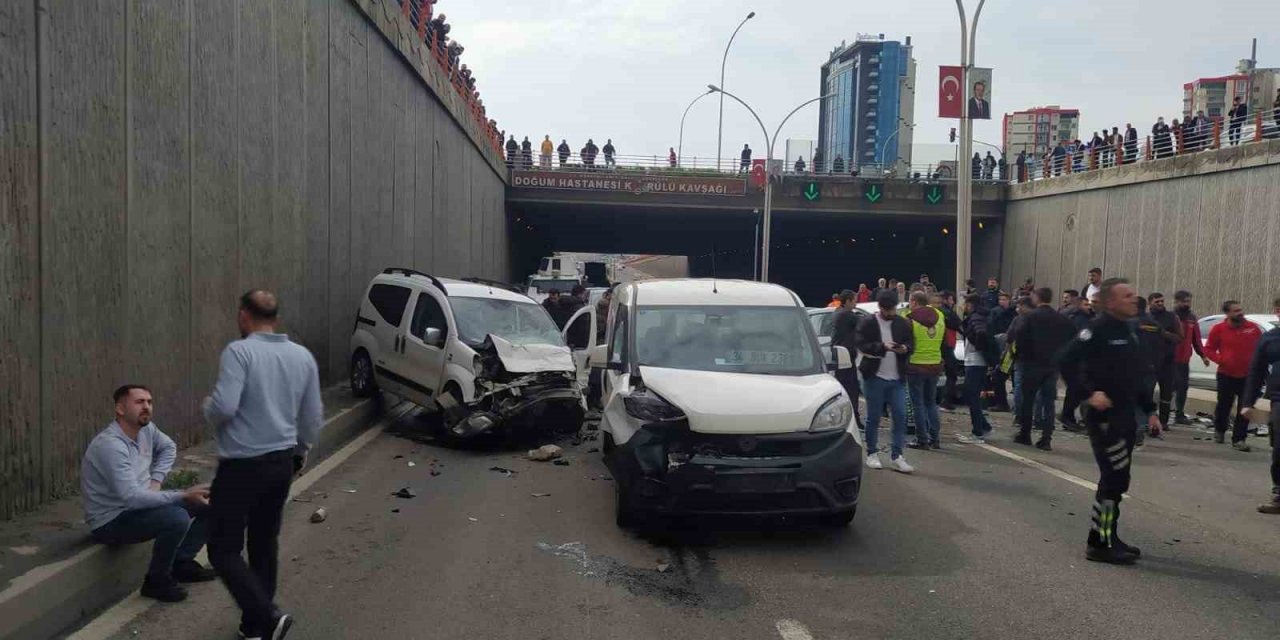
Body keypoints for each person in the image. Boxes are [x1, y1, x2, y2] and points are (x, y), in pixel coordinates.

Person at [203, 290, 323, 639]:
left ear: (243, 315)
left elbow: (224, 406)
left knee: (222, 549)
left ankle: (267, 617)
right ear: (275, 318)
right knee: (263, 543)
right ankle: (255, 627)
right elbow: (312, 417)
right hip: (280, 463)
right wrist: (300, 452)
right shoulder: (301, 356)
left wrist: (207, 407)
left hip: (242, 465)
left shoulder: (239, 351)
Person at [81, 385, 216, 603]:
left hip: (140, 507)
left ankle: (181, 563)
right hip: (111, 520)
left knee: (212, 500)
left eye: (149, 402)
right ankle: (156, 581)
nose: (146, 407)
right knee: (176, 518)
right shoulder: (110, 446)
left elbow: (169, 448)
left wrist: (155, 482)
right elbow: (132, 498)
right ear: (120, 409)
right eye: (139, 402)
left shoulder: (146, 430)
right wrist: (183, 494)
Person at [1059, 278, 1160, 565]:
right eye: (1126, 295)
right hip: (1105, 419)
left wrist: (1150, 411)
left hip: (1126, 415)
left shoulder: (1131, 330)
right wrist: (1088, 394)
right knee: (1113, 479)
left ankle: (1109, 536)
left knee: (1119, 479)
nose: (1134, 299)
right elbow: (1065, 361)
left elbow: (1136, 375)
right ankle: (1099, 543)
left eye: (1134, 294)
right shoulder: (1096, 329)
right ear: (1110, 302)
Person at [856, 291, 915, 472]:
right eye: (887, 310)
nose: (891, 313)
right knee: (873, 417)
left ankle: (897, 455)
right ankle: (872, 453)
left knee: (900, 415)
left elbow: (911, 343)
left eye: (893, 309)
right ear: (880, 307)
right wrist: (882, 347)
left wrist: (905, 348)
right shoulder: (868, 323)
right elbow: (861, 344)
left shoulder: (902, 323)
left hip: (897, 377)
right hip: (874, 376)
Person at [1012, 288, 1075, 450]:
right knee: (1049, 402)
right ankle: (1046, 438)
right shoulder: (1061, 319)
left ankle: (1025, 434)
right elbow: (1071, 339)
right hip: (1052, 365)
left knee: (1028, 400)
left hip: (1032, 363)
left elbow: (1020, 337)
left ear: (1036, 297)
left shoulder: (1030, 317)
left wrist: (1021, 355)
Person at [1204, 300, 1264, 450]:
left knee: (1245, 407)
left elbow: (1261, 347)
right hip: (1226, 374)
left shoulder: (1252, 328)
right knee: (1224, 406)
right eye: (1236, 311)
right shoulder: (1219, 329)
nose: (1240, 313)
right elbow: (1209, 349)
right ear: (1228, 313)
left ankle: (1239, 439)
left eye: (1240, 310)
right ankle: (1220, 430)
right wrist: (1221, 360)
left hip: (1248, 376)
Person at [1242, 296, 1280, 514]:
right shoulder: (1269, 338)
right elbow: (1256, 371)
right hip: (1279, 400)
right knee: (1279, 446)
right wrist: (1248, 402)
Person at [904, 291, 945, 451]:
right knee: (931, 403)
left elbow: (907, 343)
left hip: (916, 365)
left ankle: (922, 439)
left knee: (918, 404)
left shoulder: (910, 318)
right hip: (934, 364)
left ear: (914, 302)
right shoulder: (940, 315)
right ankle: (935, 438)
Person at [956, 294, 995, 443]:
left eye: (965, 304)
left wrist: (978, 346)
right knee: (972, 396)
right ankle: (984, 426)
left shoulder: (976, 317)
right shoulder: (982, 316)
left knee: (972, 397)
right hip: (976, 361)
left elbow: (981, 333)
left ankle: (977, 432)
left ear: (970, 304)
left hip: (974, 361)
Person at [1172, 290, 1211, 425]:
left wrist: (1203, 356)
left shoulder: (1192, 318)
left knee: (1183, 387)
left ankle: (1179, 414)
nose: (1187, 304)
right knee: (1169, 388)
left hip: (1184, 360)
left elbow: (1196, 339)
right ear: (1177, 302)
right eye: (1184, 301)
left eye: (1188, 301)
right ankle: (1160, 415)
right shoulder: (1171, 317)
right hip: (1170, 359)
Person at [1146, 292, 1183, 428]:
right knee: (1147, 392)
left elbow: (1179, 338)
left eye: (1162, 301)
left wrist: (1163, 333)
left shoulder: (1172, 317)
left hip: (1167, 361)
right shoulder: (1146, 318)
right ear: (1150, 303)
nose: (1160, 304)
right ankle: (1147, 420)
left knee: (1166, 394)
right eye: (1157, 302)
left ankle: (1163, 422)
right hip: (1149, 362)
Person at [831, 290, 863, 432]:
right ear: (848, 301)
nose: (856, 303)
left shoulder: (837, 312)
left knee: (844, 388)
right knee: (851, 389)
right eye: (854, 300)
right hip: (845, 356)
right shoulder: (847, 315)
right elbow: (864, 323)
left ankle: (848, 418)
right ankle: (853, 419)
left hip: (840, 355)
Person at [939, 290, 963, 410]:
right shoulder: (947, 312)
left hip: (943, 345)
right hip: (946, 345)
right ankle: (946, 400)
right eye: (951, 300)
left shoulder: (939, 311)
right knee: (952, 373)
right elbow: (958, 324)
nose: (952, 302)